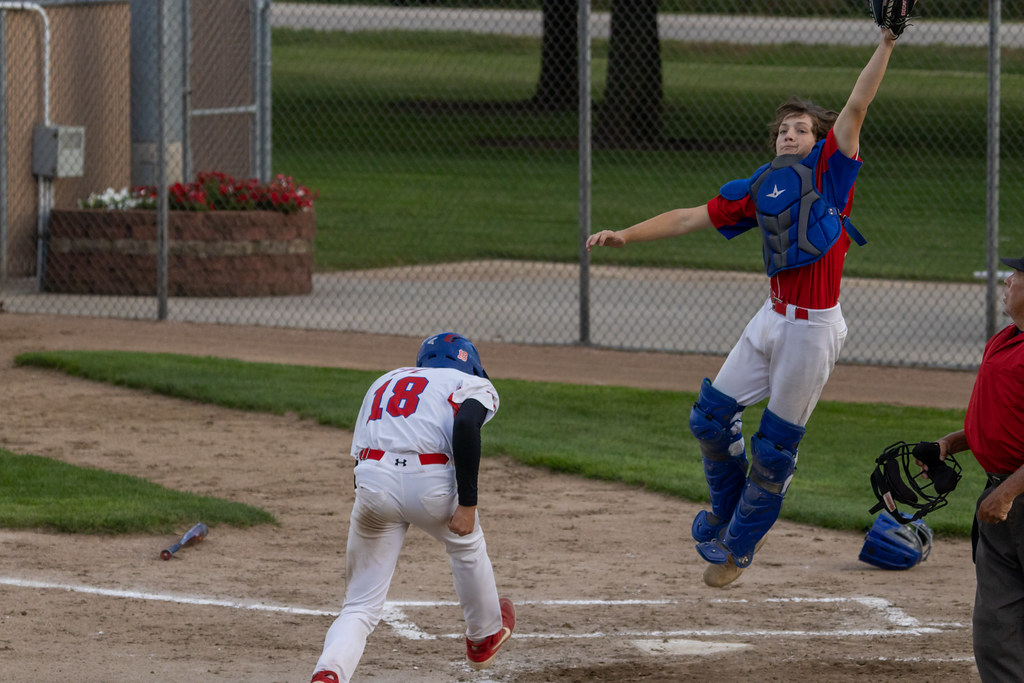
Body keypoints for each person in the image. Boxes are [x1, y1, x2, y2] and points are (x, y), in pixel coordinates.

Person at [586, 28, 900, 587]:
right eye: (782, 129)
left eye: (800, 128)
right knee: (709, 418)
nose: (788, 134)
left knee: (774, 451)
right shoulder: (761, 186)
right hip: (771, 318)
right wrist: (626, 234)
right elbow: (690, 216)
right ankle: (726, 511)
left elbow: (858, 103)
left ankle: (739, 547)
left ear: (819, 138)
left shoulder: (832, 169)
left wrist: (887, 42)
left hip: (812, 331)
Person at [309, 332, 516, 682]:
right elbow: (467, 424)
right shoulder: (470, 383)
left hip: (372, 481)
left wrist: (373, 499)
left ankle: (328, 673)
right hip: (429, 483)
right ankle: (483, 637)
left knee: (360, 605)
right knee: (466, 545)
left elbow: (361, 448)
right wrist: (468, 503)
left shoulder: (385, 380)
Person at [917, 255, 1024, 682]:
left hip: (1012, 496)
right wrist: (951, 443)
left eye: (1017, 276)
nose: (1007, 282)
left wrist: (1009, 492)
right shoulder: (1005, 340)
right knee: (995, 630)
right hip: (1001, 499)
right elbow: (1000, 417)